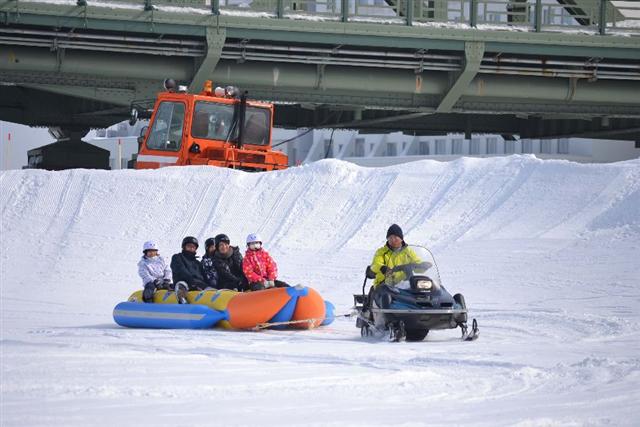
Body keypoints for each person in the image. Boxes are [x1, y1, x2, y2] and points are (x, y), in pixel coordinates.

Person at [369, 224, 427, 306]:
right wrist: (382, 267)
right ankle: (386, 312)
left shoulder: (408, 251)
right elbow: (375, 264)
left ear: (401, 238)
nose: (393, 240)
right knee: (386, 297)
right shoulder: (381, 252)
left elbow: (417, 265)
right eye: (390, 238)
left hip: (404, 285)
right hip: (384, 284)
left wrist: (423, 266)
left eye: (395, 237)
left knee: (425, 291)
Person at [170, 236, 207, 304]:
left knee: (209, 288)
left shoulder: (198, 263)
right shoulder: (177, 257)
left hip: (199, 285)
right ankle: (182, 299)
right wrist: (193, 283)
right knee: (182, 284)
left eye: (193, 247)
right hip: (185, 283)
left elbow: (204, 276)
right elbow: (181, 271)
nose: (191, 248)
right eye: (189, 246)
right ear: (184, 247)